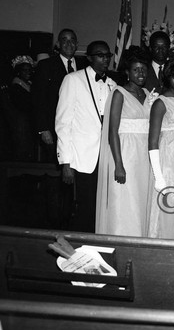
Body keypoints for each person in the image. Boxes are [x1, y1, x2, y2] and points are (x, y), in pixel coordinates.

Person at [55, 41, 117, 232]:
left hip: (106, 157)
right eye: (100, 55)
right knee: (85, 208)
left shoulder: (113, 85)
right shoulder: (73, 80)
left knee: (103, 208)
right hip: (82, 157)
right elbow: (63, 123)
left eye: (107, 56)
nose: (105, 59)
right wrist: (66, 162)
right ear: (89, 58)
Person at [95, 46, 154, 236]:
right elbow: (112, 131)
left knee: (141, 199)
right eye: (136, 70)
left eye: (143, 70)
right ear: (127, 72)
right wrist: (119, 165)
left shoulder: (148, 94)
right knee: (126, 201)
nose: (140, 74)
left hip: (144, 156)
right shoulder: (119, 93)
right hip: (125, 154)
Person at [148, 58, 174, 239]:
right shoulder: (161, 103)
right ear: (168, 78)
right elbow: (153, 141)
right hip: (168, 160)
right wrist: (158, 175)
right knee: (168, 204)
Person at [32, 29, 87, 162]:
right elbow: (38, 99)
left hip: (80, 129)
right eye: (64, 40)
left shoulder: (85, 66)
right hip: (53, 128)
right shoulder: (46, 66)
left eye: (72, 40)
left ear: (77, 44)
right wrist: (43, 129)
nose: (69, 43)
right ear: (57, 44)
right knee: (55, 171)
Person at [9, 55, 36, 161]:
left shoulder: (29, 85)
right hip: (20, 125)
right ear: (18, 72)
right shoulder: (16, 87)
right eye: (24, 70)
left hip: (28, 124)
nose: (28, 72)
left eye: (30, 70)